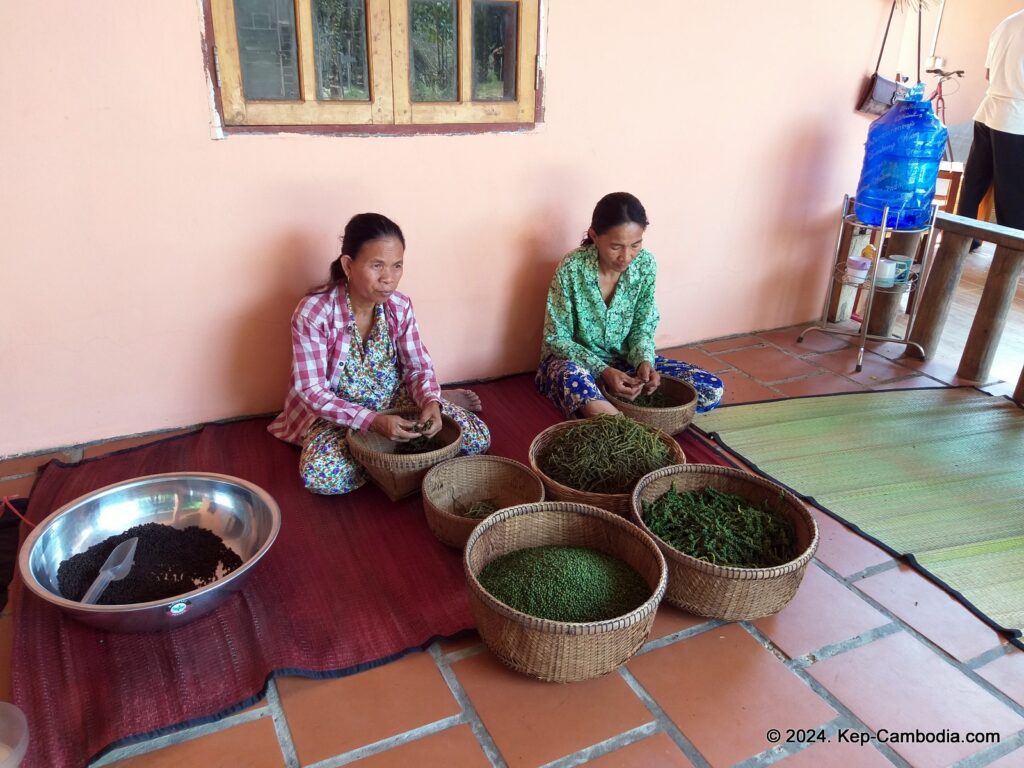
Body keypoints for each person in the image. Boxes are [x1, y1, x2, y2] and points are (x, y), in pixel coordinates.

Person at [269, 213, 490, 494]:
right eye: (377, 266)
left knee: (476, 439)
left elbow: (417, 367)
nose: (388, 278)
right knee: (321, 477)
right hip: (341, 415)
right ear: (348, 265)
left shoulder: (399, 306)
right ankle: (401, 459)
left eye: (397, 266)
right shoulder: (314, 312)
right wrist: (371, 421)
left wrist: (429, 402)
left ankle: (436, 400)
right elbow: (311, 391)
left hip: (394, 399)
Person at [536, 192, 724, 419]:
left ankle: (606, 408)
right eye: (616, 247)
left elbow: (642, 326)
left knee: (710, 387)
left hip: (624, 365)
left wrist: (644, 361)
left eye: (635, 245)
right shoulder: (572, 268)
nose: (626, 256)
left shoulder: (645, 265)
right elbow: (557, 338)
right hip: (577, 366)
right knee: (572, 379)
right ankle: (623, 422)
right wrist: (602, 371)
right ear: (595, 236)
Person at [956, 9, 1024, 248]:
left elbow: (988, 74)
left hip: (989, 110)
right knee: (1013, 193)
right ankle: (1010, 257)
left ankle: (962, 241)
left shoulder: (1007, 22)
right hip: (1016, 119)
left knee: (974, 181)